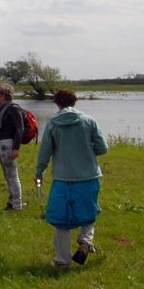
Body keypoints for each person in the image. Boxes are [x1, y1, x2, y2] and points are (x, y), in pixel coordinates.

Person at [35, 89, 109, 268]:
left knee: (62, 219)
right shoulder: (88, 120)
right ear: (74, 102)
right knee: (89, 213)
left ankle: (62, 260)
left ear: (56, 103)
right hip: (89, 176)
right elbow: (103, 148)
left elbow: (45, 151)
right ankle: (85, 241)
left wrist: (40, 171)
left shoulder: (53, 123)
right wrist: (88, 150)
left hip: (63, 178)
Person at [0, 83, 26, 211]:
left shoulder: (13, 108)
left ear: (3, 96)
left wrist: (16, 148)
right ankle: (12, 201)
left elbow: (20, 128)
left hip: (8, 144)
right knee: (7, 175)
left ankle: (17, 205)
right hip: (1, 144)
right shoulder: (1, 108)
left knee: (12, 175)